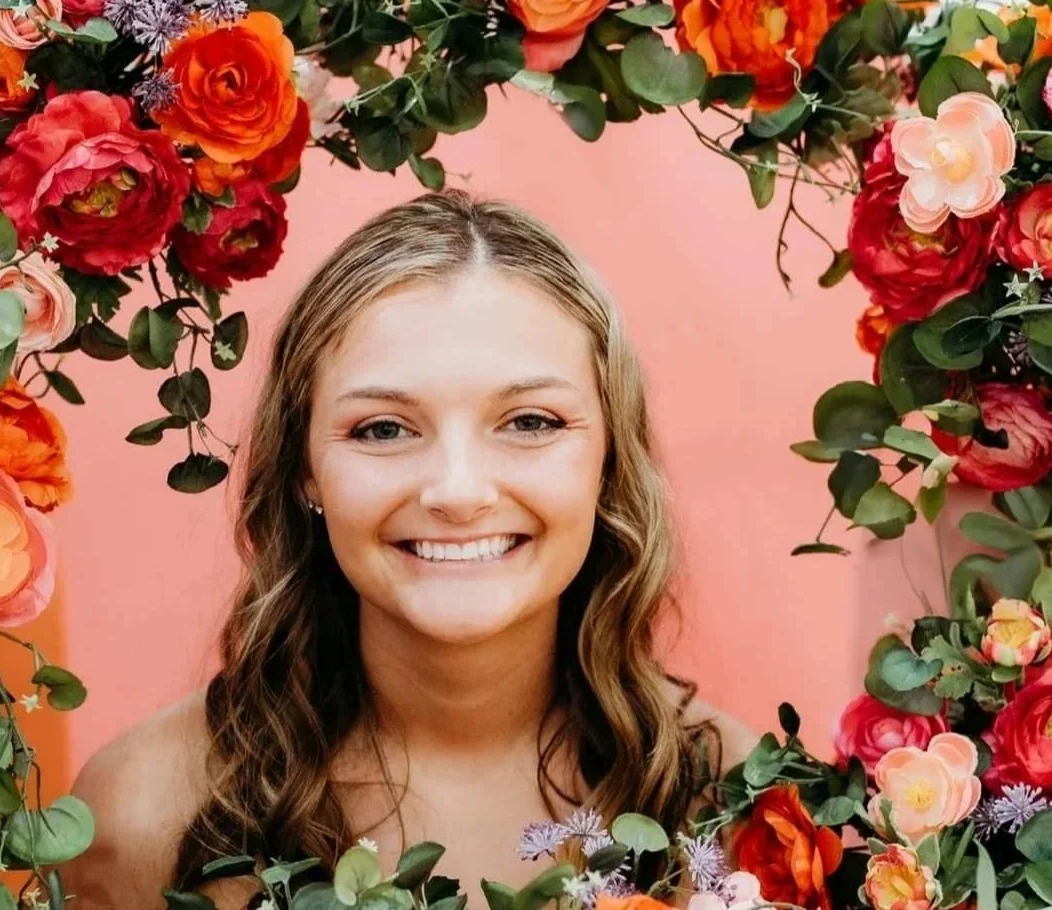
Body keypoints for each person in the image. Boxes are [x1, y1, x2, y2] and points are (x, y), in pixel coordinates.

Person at [60, 190, 759, 909]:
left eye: (529, 421)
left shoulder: (748, 812)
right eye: (383, 429)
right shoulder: (140, 812)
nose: (457, 491)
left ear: (608, 457)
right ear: (304, 466)